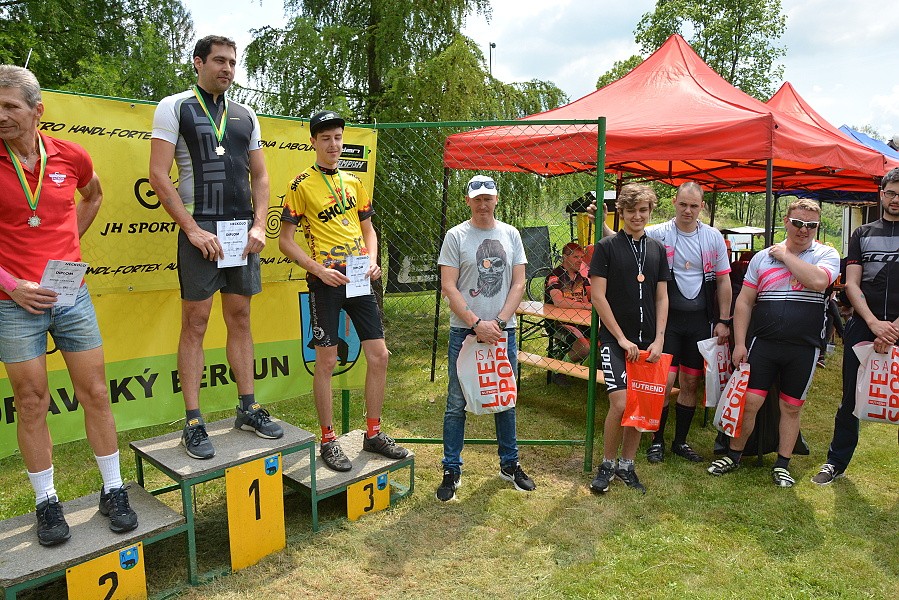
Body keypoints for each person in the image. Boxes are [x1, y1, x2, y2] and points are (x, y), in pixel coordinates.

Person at [0, 65, 137, 545]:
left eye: (10, 106)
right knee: (31, 401)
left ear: (37, 110)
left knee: (96, 392)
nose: (1, 116)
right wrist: (12, 285)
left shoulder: (70, 154)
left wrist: (67, 245)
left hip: (70, 293)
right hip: (12, 303)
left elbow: (93, 195)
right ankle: (46, 502)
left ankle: (113, 490)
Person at [149, 35, 282, 460]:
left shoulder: (246, 114)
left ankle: (248, 407)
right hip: (201, 229)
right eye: (219, 61)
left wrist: (259, 225)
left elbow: (261, 176)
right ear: (198, 62)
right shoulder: (174, 106)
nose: (227, 69)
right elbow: (158, 174)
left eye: (232, 62)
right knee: (196, 322)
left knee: (240, 317)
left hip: (241, 230)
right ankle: (193, 421)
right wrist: (191, 230)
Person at [279, 110, 408, 472]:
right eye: (326, 139)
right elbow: (285, 241)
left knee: (379, 355)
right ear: (313, 142)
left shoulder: (353, 181)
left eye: (337, 138)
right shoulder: (300, 184)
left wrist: (373, 260)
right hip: (325, 281)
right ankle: (327, 439)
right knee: (326, 361)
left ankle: (374, 433)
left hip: (360, 278)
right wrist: (318, 269)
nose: (333, 145)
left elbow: (369, 230)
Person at [707, 199, 839, 487]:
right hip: (764, 343)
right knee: (749, 402)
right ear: (786, 222)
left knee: (791, 407)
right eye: (798, 223)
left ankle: (782, 464)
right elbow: (745, 301)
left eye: (811, 225)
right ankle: (733, 455)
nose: (804, 230)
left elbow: (819, 282)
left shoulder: (826, 253)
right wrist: (739, 343)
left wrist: (786, 255)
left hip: (803, 347)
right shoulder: (762, 258)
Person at [435, 174, 536, 501]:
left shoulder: (510, 234)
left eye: (487, 198)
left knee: (505, 398)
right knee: (456, 402)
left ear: (496, 199)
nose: (482, 204)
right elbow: (448, 285)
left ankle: (510, 463)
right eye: (477, 198)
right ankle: (451, 468)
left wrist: (500, 322)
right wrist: (476, 323)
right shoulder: (456, 236)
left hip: (503, 332)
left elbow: (519, 283)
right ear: (468, 200)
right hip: (464, 331)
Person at [812, 169, 899, 485]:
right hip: (864, 324)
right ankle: (835, 462)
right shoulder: (862, 233)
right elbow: (851, 283)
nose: (896, 199)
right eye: (891, 193)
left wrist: (893, 330)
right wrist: (874, 324)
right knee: (850, 396)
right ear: (881, 194)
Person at [642, 183, 732, 464]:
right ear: (674, 202)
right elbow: (626, 239)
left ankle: (680, 441)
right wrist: (600, 223)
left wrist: (724, 320)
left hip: (699, 322)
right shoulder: (659, 233)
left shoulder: (712, 237)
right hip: (667, 323)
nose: (688, 211)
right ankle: (657, 441)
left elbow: (724, 280)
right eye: (683, 204)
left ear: (702, 206)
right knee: (664, 382)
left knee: (691, 382)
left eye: (694, 206)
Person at [589, 184, 669, 495]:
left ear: (650, 212)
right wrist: (621, 338)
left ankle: (627, 464)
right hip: (616, 340)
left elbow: (662, 297)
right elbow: (598, 297)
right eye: (631, 210)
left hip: (648, 343)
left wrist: (659, 339)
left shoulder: (658, 249)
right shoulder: (606, 247)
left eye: (643, 210)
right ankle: (607, 463)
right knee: (621, 403)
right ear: (620, 212)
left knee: (640, 404)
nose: (638, 216)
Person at [543, 242, 592, 385]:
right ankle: (560, 370)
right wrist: (586, 306)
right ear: (565, 257)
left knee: (604, 340)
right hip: (559, 323)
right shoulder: (554, 276)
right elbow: (558, 301)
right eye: (576, 257)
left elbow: (588, 299)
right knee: (584, 348)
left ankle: (583, 371)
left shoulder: (580, 278)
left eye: (581, 257)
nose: (580, 260)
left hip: (581, 322)